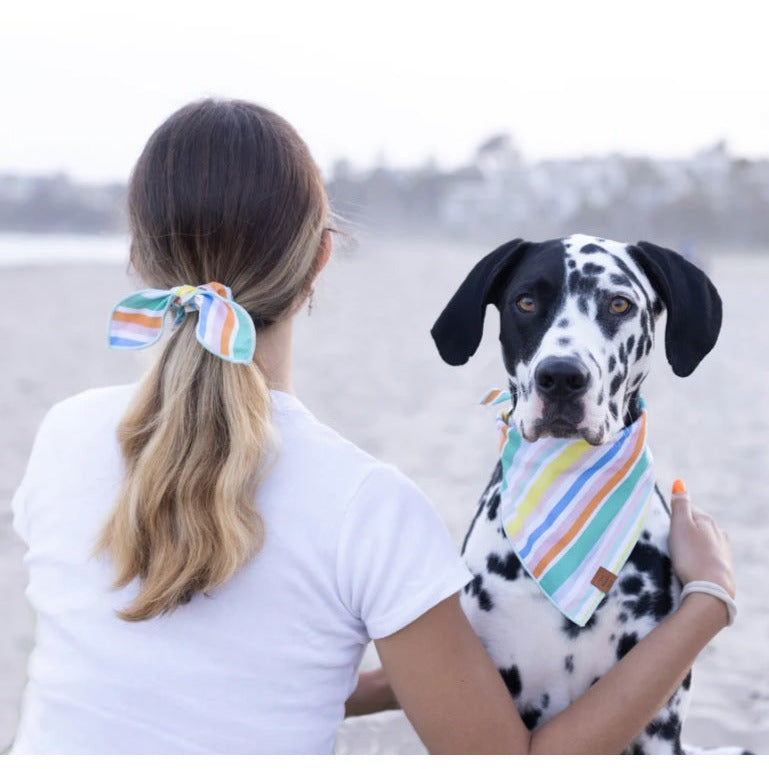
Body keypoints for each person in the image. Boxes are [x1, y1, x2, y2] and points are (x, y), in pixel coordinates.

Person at [10, 99, 736, 755]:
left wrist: (422, 675)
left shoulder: (62, 435)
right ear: (321, 258)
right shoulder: (368, 504)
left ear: (138, 260)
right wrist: (707, 599)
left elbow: (173, 670)